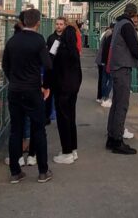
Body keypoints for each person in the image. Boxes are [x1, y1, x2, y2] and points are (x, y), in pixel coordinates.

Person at [1, 9, 53, 184]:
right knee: (38, 129)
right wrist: (45, 86)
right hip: (32, 90)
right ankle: (43, 171)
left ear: (23, 22)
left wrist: (14, 80)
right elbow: (48, 65)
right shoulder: (38, 41)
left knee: (16, 130)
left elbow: (5, 65)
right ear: (37, 22)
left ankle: (15, 172)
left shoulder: (12, 41)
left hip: (15, 90)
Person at [106, 3, 138, 155]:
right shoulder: (128, 25)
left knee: (116, 104)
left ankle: (111, 138)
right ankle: (117, 141)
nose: (137, 20)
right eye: (137, 17)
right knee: (122, 105)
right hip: (122, 69)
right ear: (134, 14)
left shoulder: (118, 23)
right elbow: (133, 47)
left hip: (116, 67)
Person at [50, 17, 83, 165]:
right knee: (71, 118)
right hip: (73, 89)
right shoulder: (74, 52)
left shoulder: (58, 48)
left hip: (61, 88)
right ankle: (72, 149)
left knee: (63, 120)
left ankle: (67, 152)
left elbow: (50, 64)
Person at [96, 23, 114, 106]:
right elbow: (108, 50)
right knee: (110, 80)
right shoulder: (111, 36)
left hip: (102, 60)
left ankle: (101, 97)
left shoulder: (105, 34)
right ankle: (105, 97)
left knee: (103, 79)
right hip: (108, 61)